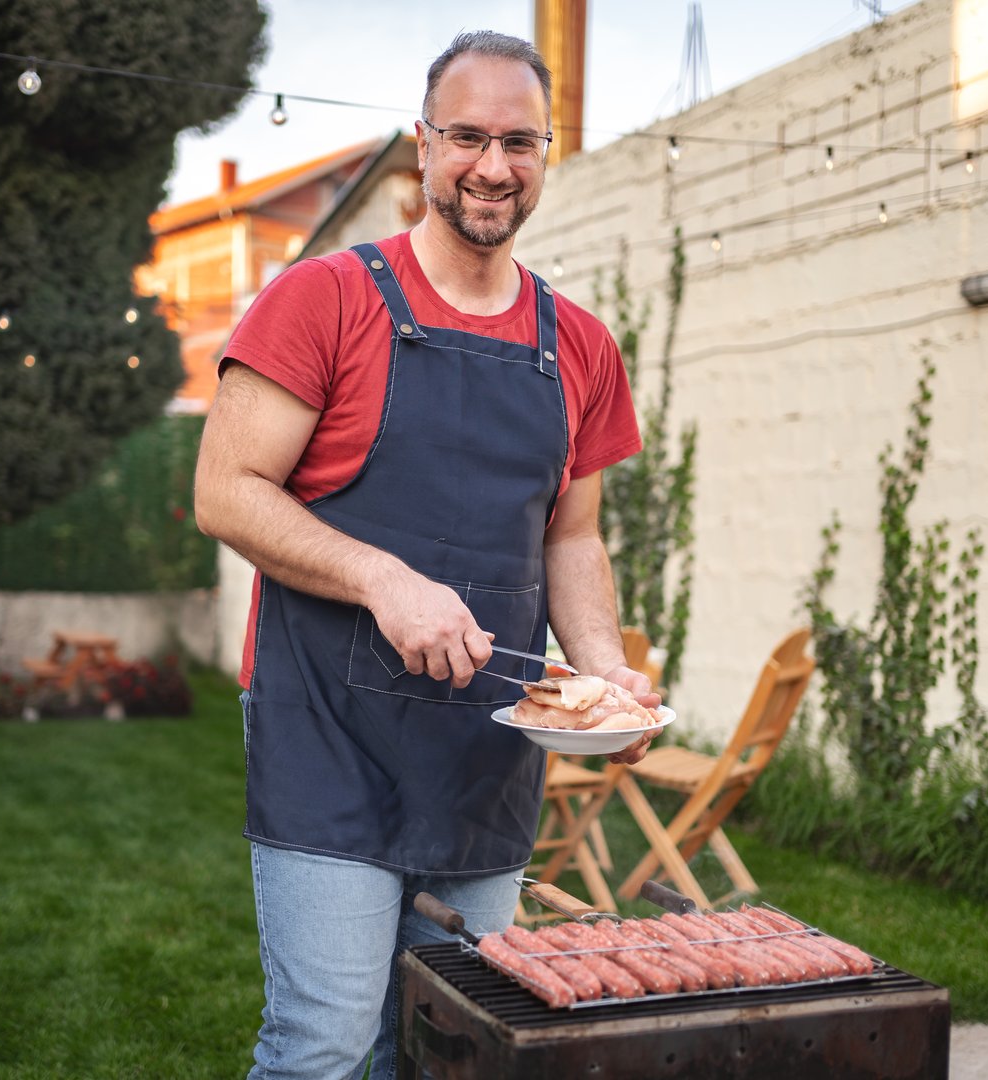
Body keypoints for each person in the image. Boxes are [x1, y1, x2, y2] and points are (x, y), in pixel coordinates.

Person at [193, 29, 660, 1080]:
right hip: (330, 747)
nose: (492, 166)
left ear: (547, 152)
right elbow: (224, 490)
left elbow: (572, 535)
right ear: (423, 144)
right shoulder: (326, 299)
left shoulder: (579, 344)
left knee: (456, 1051)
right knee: (324, 1052)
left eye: (519, 141)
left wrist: (600, 675)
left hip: (486, 764)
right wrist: (382, 578)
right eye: (466, 137)